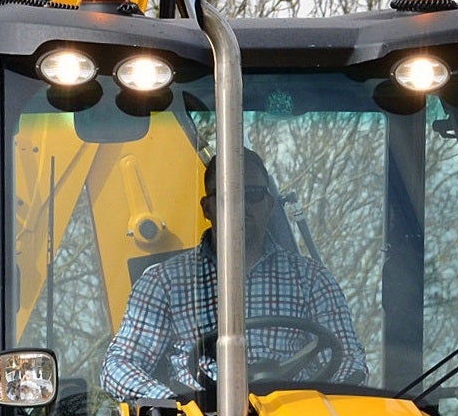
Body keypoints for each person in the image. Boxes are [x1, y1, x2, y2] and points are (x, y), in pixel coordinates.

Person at [101, 148, 367, 402]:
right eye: (229, 194)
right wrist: (177, 406)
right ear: (207, 208)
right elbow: (119, 365)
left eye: (252, 194)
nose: (241, 205)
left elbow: (348, 359)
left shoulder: (312, 279)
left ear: (270, 204)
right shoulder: (165, 282)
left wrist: (321, 403)